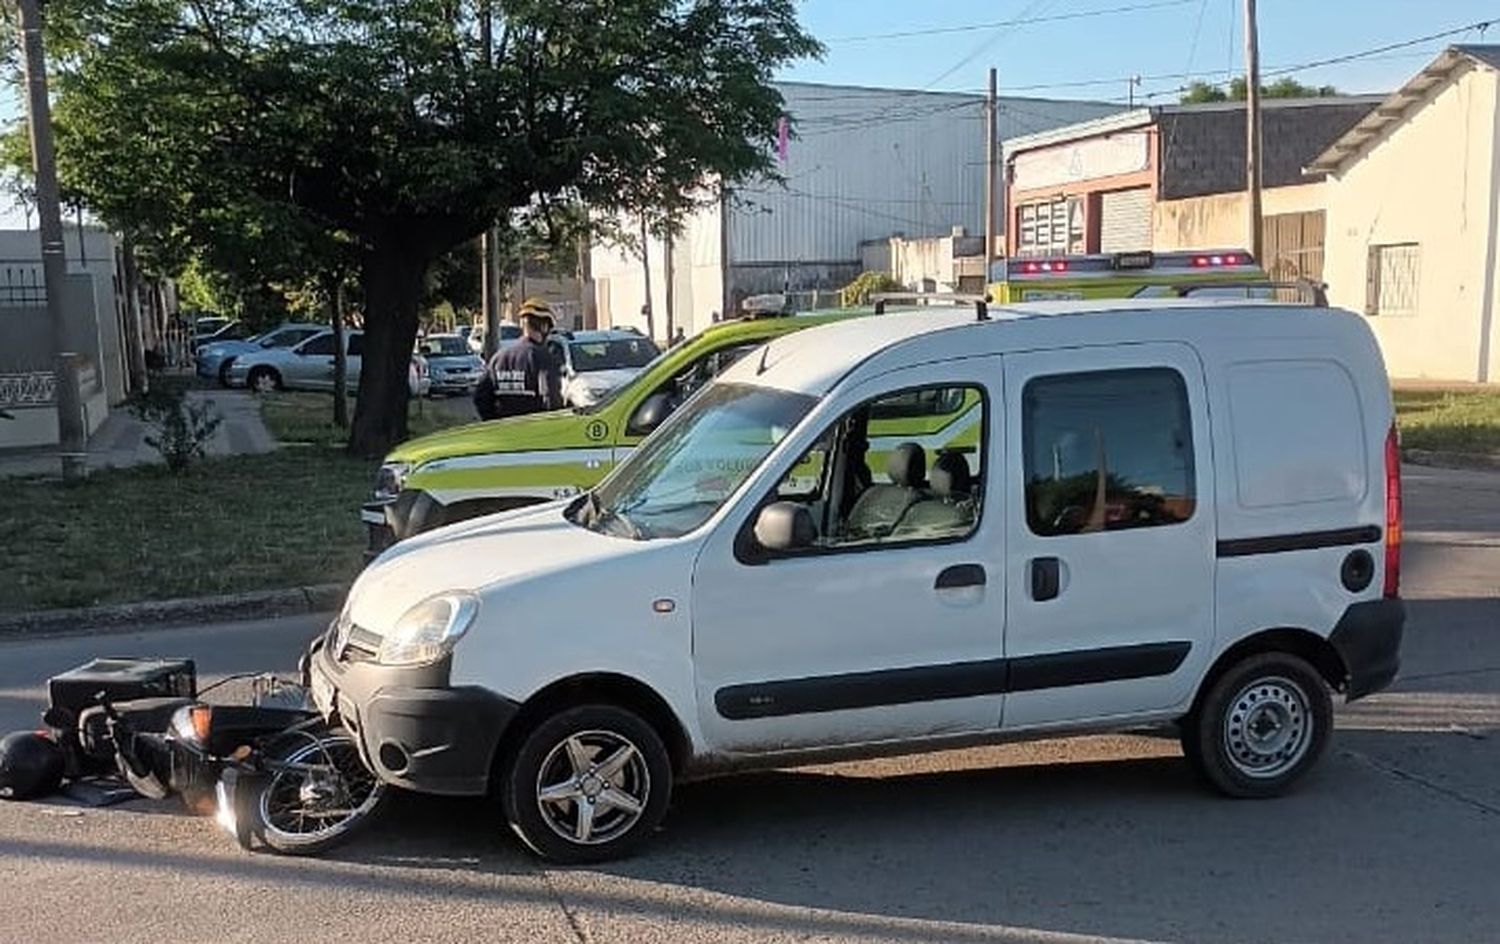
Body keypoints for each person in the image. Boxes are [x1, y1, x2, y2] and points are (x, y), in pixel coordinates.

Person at [473, 299, 563, 420]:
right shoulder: (543, 358)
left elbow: (480, 397)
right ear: (544, 326)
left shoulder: (498, 358)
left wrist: (493, 421)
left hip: (505, 433)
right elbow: (552, 399)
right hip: (536, 432)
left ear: (523, 325)